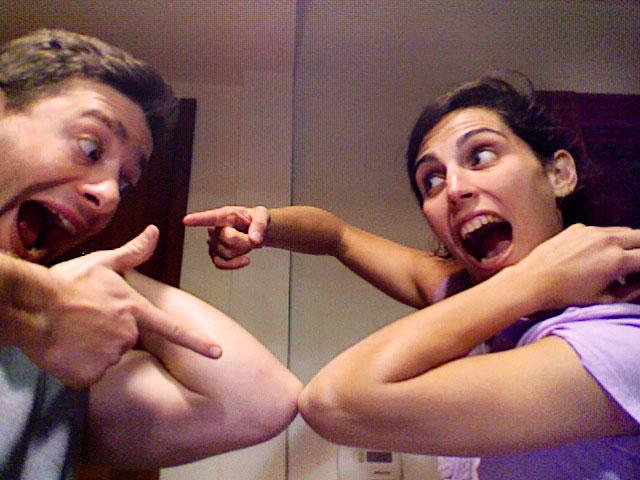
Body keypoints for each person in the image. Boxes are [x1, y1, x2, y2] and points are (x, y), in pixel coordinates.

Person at [185, 75, 640, 479]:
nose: (454, 189)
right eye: (432, 181)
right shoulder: (477, 300)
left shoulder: (618, 341)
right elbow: (337, 236)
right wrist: (264, 223)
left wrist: (532, 281)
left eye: (481, 155)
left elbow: (333, 401)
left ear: (559, 174)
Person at [0, 29, 301, 479]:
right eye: (90, 148)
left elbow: (261, 404)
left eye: (125, 184)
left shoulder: (49, 359)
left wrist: (110, 279)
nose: (109, 195)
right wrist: (35, 302)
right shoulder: (43, 320)